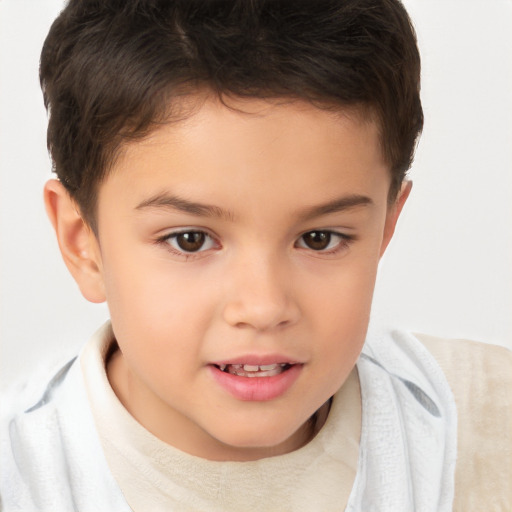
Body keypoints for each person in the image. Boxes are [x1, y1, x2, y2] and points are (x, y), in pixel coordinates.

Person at [1, 1, 510, 510]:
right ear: (81, 242)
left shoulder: (488, 423)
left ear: (385, 228)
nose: (264, 307)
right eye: (190, 240)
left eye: (319, 238)